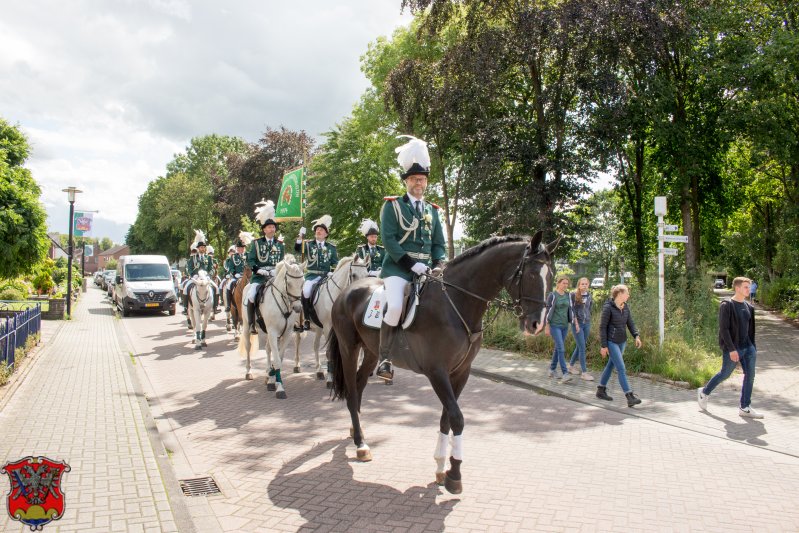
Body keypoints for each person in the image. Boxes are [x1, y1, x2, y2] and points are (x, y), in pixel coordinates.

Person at [376, 136, 446, 380]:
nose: (419, 183)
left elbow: (439, 244)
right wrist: (410, 264)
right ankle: (385, 358)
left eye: (422, 179)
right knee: (395, 306)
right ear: (406, 181)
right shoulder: (393, 206)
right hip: (398, 269)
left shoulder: (432, 211)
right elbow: (389, 240)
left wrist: (438, 264)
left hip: (426, 270)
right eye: (415, 179)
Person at [697, 277, 762, 418]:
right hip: (733, 348)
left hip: (748, 348)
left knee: (750, 376)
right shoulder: (727, 305)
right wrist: (732, 349)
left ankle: (745, 407)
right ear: (737, 288)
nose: (749, 290)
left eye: (749, 287)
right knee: (725, 374)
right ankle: (704, 392)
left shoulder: (749, 307)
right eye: (746, 287)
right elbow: (724, 329)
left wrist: (753, 347)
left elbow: (751, 330)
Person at [596, 284, 643, 407]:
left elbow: (630, 323)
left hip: (622, 341)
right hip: (611, 342)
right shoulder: (608, 308)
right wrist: (604, 346)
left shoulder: (625, 307)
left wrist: (636, 336)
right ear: (620, 294)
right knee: (621, 368)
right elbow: (602, 327)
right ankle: (629, 396)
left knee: (611, 365)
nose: (628, 295)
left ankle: (601, 390)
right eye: (627, 293)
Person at [246, 200, 285, 335]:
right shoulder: (256, 243)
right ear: (264, 230)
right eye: (269, 227)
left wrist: (277, 270)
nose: (272, 229)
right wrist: (258, 270)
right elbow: (250, 260)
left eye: (273, 227)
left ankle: (294, 320)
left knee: (290, 291)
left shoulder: (280, 244)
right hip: (259, 277)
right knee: (251, 295)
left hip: (275, 276)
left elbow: (282, 261)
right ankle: (251, 323)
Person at [295, 215, 339, 331]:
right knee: (306, 291)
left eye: (321, 230)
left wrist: (334, 271)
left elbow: (335, 263)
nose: (318, 231)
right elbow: (297, 249)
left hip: (326, 276)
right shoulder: (308, 244)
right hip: (312, 276)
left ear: (326, 234)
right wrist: (300, 237)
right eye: (317, 230)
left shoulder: (331, 247)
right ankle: (307, 318)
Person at [545, 276, 577, 383]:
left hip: (564, 326)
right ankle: (565, 373)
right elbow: (548, 311)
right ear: (558, 283)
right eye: (563, 283)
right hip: (554, 326)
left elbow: (571, 309)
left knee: (558, 348)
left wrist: (575, 322)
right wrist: (547, 326)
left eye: (567, 283)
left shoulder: (569, 295)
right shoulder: (553, 295)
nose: (565, 285)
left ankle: (552, 369)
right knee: (561, 349)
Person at [568, 277, 594, 381]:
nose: (584, 285)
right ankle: (584, 373)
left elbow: (589, 308)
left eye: (586, 284)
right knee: (582, 347)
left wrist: (588, 318)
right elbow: (571, 310)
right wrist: (576, 323)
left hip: (586, 323)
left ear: (588, 285)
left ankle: (570, 366)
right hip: (577, 324)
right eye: (582, 284)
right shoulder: (573, 295)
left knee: (579, 346)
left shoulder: (589, 295)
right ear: (579, 285)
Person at [223, 240, 247, 313]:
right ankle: (228, 305)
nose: (241, 249)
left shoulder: (248, 255)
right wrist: (234, 273)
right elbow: (231, 268)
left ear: (244, 248)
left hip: (247, 276)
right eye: (239, 248)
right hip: (236, 276)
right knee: (229, 286)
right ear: (237, 248)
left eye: (242, 248)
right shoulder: (233, 257)